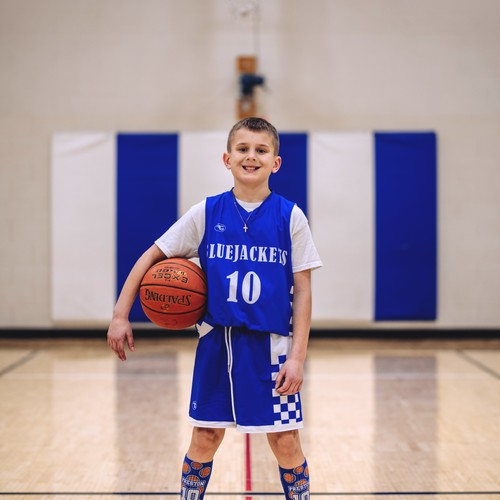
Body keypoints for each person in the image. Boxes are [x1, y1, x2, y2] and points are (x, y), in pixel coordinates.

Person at [107, 117, 322, 499]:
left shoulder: (290, 216)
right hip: (216, 343)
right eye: (243, 149)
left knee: (286, 442)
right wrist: (120, 315)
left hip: (272, 347)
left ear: (275, 162)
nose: (251, 156)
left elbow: (303, 291)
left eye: (261, 150)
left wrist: (297, 357)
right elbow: (151, 256)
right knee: (205, 437)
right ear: (227, 158)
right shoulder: (206, 212)